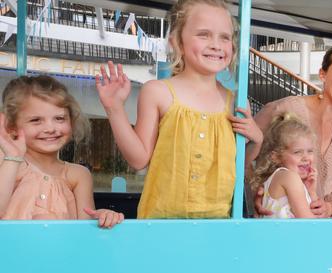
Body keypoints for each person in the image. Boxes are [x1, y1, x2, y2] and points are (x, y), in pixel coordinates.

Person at [95, 0, 262, 219]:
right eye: (203, 35)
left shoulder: (236, 102)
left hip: (217, 226)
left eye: (225, 37)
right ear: (177, 42)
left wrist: (257, 139)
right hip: (161, 223)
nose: (216, 44)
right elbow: (138, 159)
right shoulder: (157, 92)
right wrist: (114, 108)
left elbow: (239, 165)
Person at [251, 44, 332, 218]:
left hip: (320, 215)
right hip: (287, 217)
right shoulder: (287, 108)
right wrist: (255, 193)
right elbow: (245, 148)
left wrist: (330, 207)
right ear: (323, 74)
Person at [0, 75, 123, 228]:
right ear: (11, 126)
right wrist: (12, 157)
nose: (51, 129)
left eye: (59, 118)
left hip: (63, 252)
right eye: (36, 120)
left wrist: (102, 216)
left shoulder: (79, 175)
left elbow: (84, 226)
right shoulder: (8, 163)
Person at [250, 113, 319, 218]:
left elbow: (313, 215)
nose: (306, 157)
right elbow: (309, 222)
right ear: (276, 157)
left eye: (310, 151)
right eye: (297, 152)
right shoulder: (290, 177)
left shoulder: (278, 178)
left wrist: (312, 192)